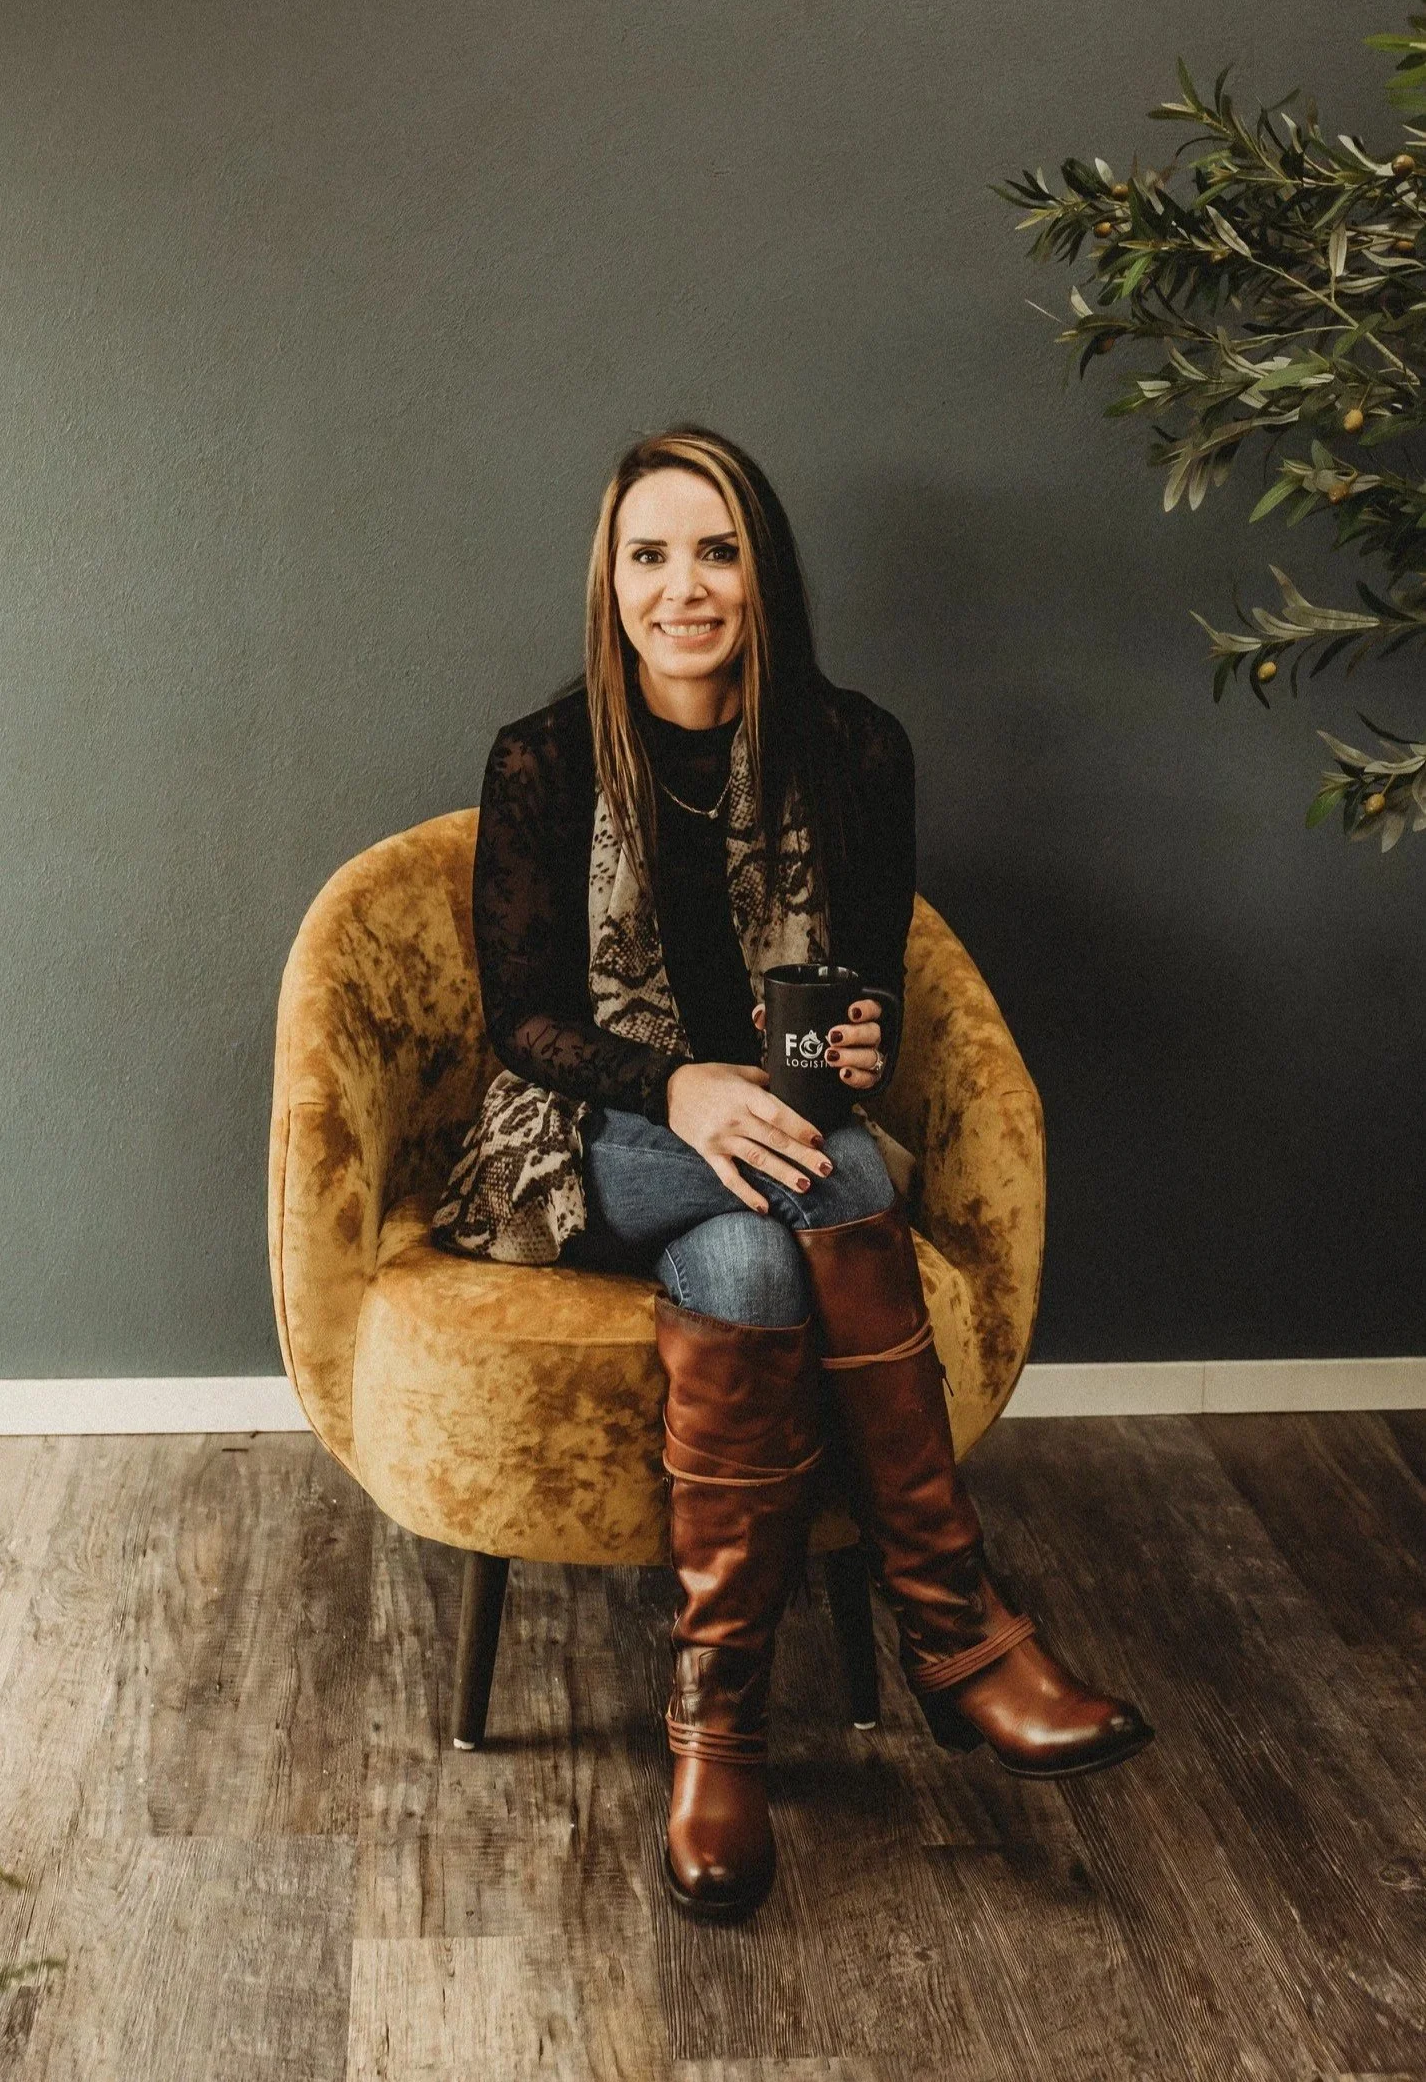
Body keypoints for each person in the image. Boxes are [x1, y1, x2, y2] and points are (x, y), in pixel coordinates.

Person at [431, 426, 1152, 1924]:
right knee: (842, 1186)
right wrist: (680, 1087)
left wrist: (854, 1044)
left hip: (774, 1149)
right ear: (609, 581)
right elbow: (525, 1022)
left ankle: (717, 1735)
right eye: (648, 556)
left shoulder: (854, 750)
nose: (681, 589)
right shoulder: (542, 759)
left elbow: (866, 980)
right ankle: (955, 1624)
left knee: (758, 1258)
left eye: (716, 552)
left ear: (763, 573)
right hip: (588, 1143)